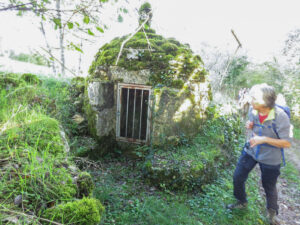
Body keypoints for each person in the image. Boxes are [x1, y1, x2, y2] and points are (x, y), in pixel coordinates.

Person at [227, 83, 291, 225]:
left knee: (269, 185)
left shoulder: (281, 117)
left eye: (254, 98)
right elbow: (253, 125)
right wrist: (250, 125)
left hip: (271, 157)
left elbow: (286, 143)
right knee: (238, 177)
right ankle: (241, 201)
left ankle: (272, 214)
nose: (250, 100)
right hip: (251, 150)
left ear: (265, 102)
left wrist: (264, 139)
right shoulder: (253, 110)